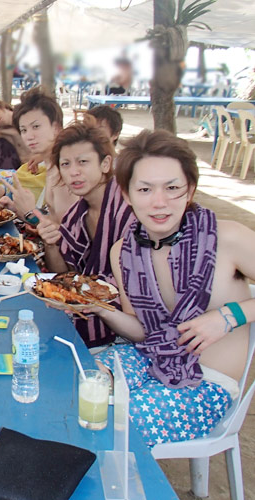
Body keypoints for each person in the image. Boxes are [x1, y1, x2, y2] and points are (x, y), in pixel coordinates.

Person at [90, 130, 255, 448]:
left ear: (189, 189)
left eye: (172, 188)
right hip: (147, 355)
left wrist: (229, 316)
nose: (159, 202)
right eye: (145, 189)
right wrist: (99, 308)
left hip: (207, 383)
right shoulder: (123, 252)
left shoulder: (227, 238)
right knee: (80, 387)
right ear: (127, 194)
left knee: (114, 425)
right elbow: (141, 332)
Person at [34, 119, 135, 348]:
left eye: (83, 162)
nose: (73, 172)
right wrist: (50, 244)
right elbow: (66, 274)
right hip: (90, 313)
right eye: (66, 164)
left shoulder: (129, 211)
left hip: (128, 332)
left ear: (105, 164)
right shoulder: (76, 215)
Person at [0, 86, 77, 224]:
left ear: (56, 128)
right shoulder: (50, 166)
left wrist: (29, 211)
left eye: (36, 127)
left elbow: (63, 232)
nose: (29, 136)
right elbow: (50, 220)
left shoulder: (64, 173)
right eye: (24, 130)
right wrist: (16, 210)